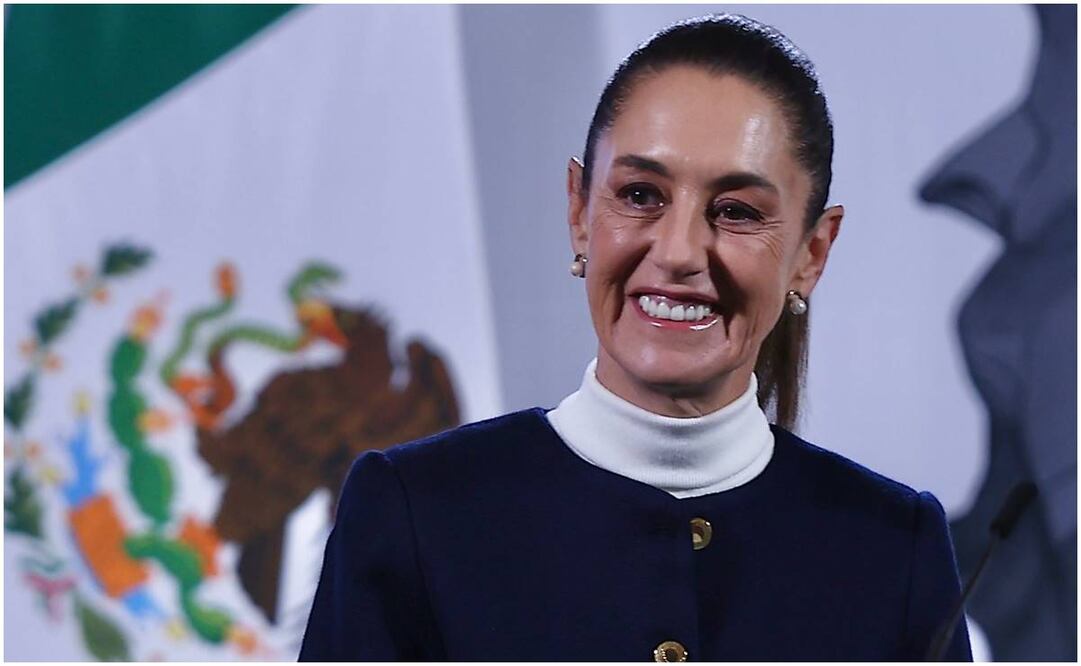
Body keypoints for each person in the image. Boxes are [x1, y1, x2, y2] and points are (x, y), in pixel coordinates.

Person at [299, 13, 973, 661]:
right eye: (641, 195)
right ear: (578, 212)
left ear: (811, 253)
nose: (678, 251)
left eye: (736, 212)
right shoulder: (415, 512)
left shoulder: (893, 548)